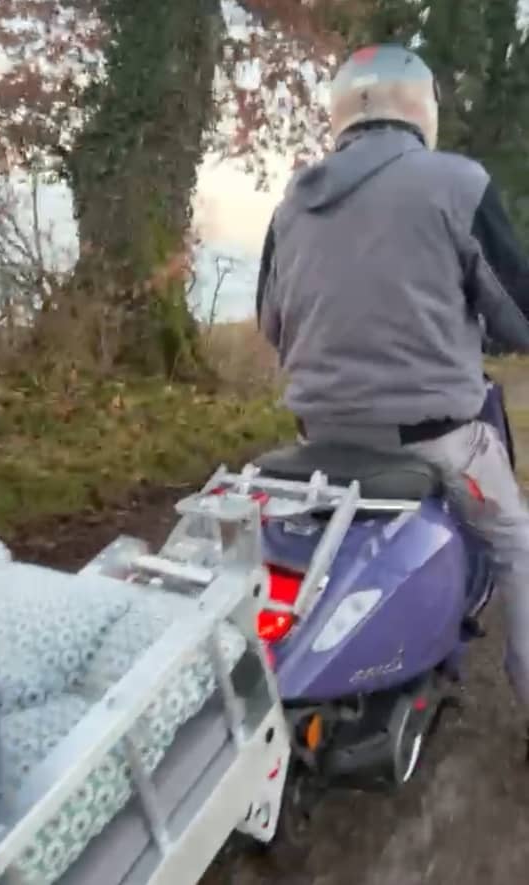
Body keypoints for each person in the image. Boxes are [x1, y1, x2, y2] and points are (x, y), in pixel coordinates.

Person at [256, 43, 529, 745]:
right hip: (434, 438)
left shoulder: (290, 206)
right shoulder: (458, 182)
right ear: (421, 110)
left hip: (320, 435)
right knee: (516, 541)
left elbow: (271, 323)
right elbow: (515, 313)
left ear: (342, 115)